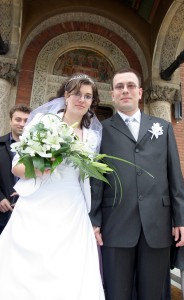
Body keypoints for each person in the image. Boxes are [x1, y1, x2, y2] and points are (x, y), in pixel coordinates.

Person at [89, 68, 184, 300]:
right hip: (116, 224)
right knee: (116, 291)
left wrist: (182, 219)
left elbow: (175, 176)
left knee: (153, 292)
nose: (125, 90)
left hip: (157, 224)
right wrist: (94, 221)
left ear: (140, 92)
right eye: (119, 87)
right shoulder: (101, 131)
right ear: (112, 95)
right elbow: (96, 181)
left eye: (130, 86)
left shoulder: (162, 127)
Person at [0, 74, 105, 300]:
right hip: (38, 202)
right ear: (66, 96)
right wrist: (41, 168)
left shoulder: (92, 138)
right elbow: (16, 167)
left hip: (73, 207)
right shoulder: (43, 123)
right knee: (29, 265)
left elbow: (89, 179)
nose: (82, 100)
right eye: (77, 94)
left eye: (88, 96)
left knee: (69, 267)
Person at [0, 104, 31, 234]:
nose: (22, 124)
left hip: (28, 212)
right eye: (18, 119)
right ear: (10, 120)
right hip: (2, 211)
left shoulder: (40, 150)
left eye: (26, 120)